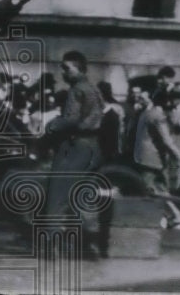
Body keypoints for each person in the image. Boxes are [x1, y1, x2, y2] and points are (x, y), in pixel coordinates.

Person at [43, 51, 106, 260]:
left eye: (66, 68)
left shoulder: (76, 90)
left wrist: (51, 125)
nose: (63, 72)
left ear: (78, 68)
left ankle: (53, 246)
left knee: (57, 196)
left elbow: (70, 119)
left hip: (74, 147)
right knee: (84, 197)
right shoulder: (94, 89)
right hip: (92, 149)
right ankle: (90, 244)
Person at [132, 89, 180, 228]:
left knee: (152, 188)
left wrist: (179, 155)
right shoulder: (157, 115)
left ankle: (172, 215)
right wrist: (179, 155)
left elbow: (165, 140)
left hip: (146, 157)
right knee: (156, 188)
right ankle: (173, 215)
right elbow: (166, 140)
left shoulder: (150, 113)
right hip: (151, 157)